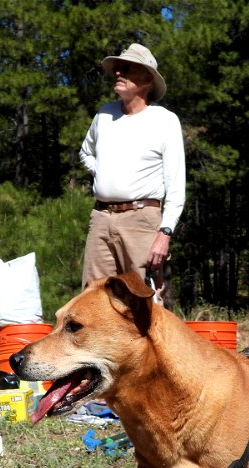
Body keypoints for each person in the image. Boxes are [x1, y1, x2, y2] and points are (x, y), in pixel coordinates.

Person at [79, 43, 186, 305]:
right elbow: (86, 152)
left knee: (143, 300)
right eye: (117, 69)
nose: (118, 73)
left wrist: (164, 234)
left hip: (142, 220)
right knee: (93, 299)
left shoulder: (164, 121)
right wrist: (101, 172)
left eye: (127, 69)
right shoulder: (105, 114)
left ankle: (154, 347)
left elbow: (176, 186)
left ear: (147, 79)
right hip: (101, 217)